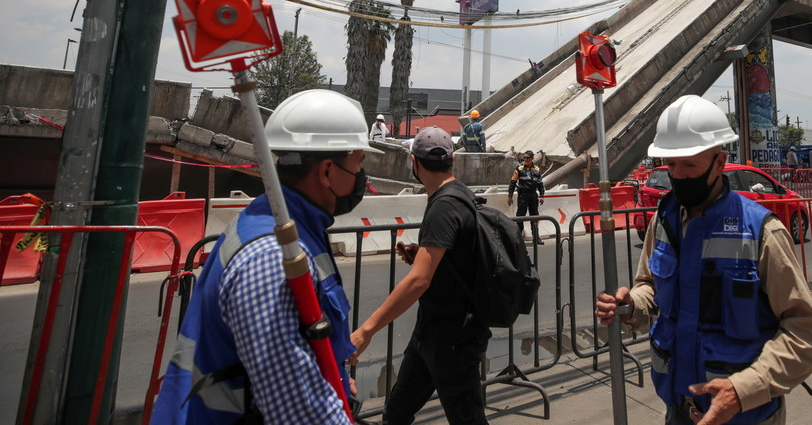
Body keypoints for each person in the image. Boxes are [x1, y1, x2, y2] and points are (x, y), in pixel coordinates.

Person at [152, 89, 379, 423]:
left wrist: (337, 380)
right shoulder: (273, 256)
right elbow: (297, 409)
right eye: (359, 164)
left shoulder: (286, 224)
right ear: (328, 171)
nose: (362, 177)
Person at [595, 95, 812, 425]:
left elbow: (805, 332)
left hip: (747, 415)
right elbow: (650, 287)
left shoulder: (761, 231)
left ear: (720, 162)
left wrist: (744, 389)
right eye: (671, 165)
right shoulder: (664, 219)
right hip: (679, 407)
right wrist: (631, 304)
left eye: (689, 165)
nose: (678, 175)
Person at [350, 126, 490, 424]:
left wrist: (367, 330)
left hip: (452, 338)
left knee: (468, 419)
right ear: (453, 159)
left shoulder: (443, 206)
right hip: (432, 333)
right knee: (396, 413)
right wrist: (422, 254)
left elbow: (419, 280)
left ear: (414, 163)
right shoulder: (459, 194)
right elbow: (456, 257)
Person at [507, 149, 546, 244]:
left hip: (533, 195)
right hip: (523, 195)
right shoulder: (519, 168)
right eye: (524, 157)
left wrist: (542, 195)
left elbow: (540, 184)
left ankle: (536, 238)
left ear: (532, 158)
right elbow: (513, 183)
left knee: (534, 217)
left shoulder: (536, 169)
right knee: (520, 216)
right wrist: (510, 196)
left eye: (527, 158)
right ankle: (519, 238)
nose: (525, 159)